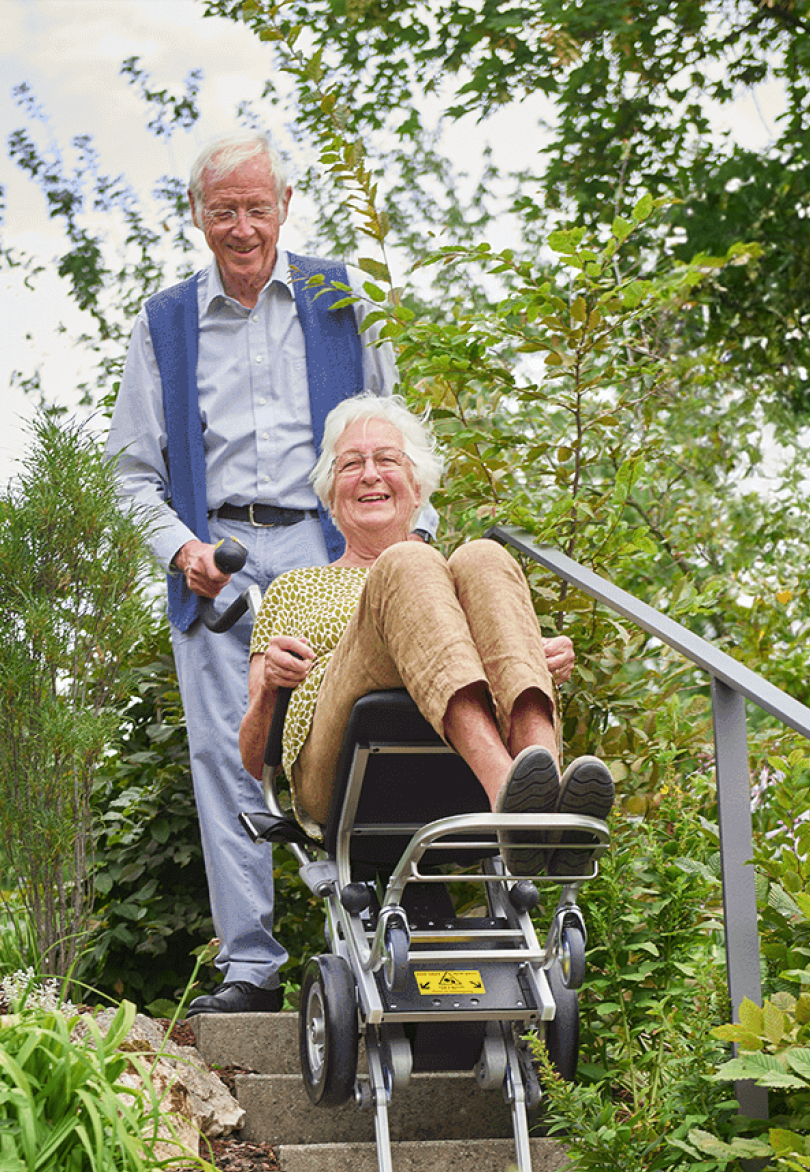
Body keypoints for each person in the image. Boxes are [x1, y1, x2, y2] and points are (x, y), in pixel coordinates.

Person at [106, 130, 430, 1017]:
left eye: (257, 207)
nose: (242, 228)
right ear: (197, 219)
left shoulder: (339, 295)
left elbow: (396, 433)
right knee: (226, 756)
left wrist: (411, 548)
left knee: (367, 736)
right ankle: (248, 965)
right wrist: (182, 550)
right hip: (219, 565)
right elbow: (132, 472)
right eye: (224, 212)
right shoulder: (163, 322)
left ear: (285, 206)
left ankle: (387, 948)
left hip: (335, 555)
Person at [240, 394, 614, 874]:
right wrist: (273, 685)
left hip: (454, 767)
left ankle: (546, 795)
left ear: (418, 488)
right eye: (351, 464)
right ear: (331, 496)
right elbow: (256, 762)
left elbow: (487, 645)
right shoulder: (295, 587)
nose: (370, 474)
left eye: (387, 460)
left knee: (484, 556)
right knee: (409, 560)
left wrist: (526, 656)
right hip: (337, 767)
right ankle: (511, 801)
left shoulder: (449, 582)